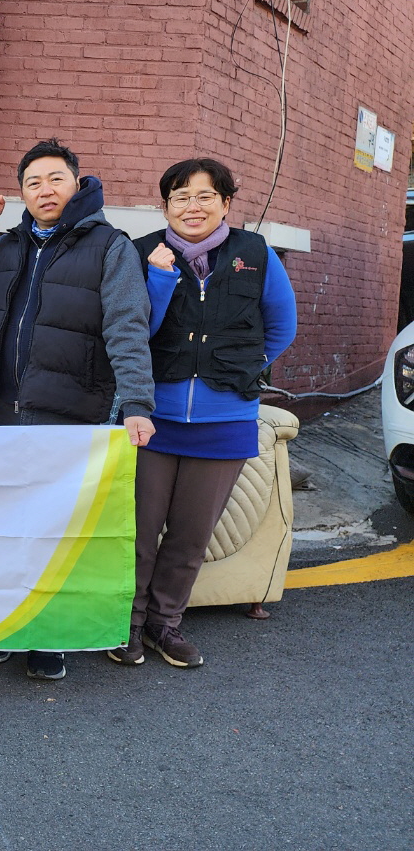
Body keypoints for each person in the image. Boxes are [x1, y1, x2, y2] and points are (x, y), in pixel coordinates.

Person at [0, 137, 155, 682]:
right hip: (6, 406)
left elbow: (127, 325)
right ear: (22, 194)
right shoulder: (10, 245)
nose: (45, 190)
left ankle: (49, 636)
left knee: (56, 531)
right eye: (33, 183)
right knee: (5, 523)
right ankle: (6, 627)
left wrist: (137, 402)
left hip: (72, 411)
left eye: (55, 179)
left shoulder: (111, 246)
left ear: (77, 183)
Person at [110, 158, 297, 668]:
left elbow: (282, 326)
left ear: (226, 202)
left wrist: (241, 367)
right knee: (137, 533)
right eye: (180, 197)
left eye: (204, 195)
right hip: (153, 418)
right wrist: (159, 280)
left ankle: (164, 625)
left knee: (191, 537)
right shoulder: (142, 252)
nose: (192, 206)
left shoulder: (255, 254)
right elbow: (133, 330)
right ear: (165, 206)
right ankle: (127, 624)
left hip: (225, 420)